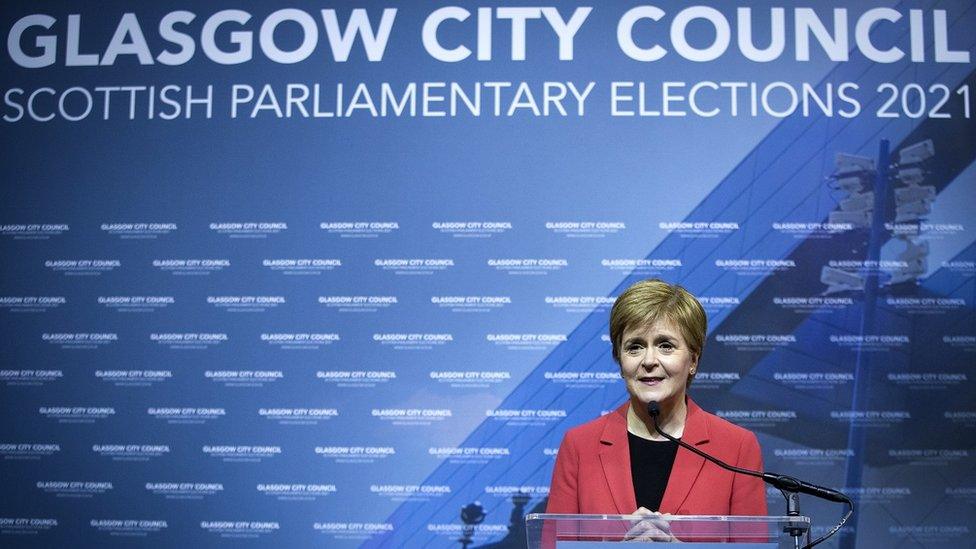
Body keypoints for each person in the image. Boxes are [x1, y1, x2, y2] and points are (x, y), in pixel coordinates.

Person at [546, 278, 767, 524]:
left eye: (665, 345)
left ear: (693, 360)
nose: (649, 360)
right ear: (620, 361)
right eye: (635, 347)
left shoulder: (736, 448)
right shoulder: (579, 447)